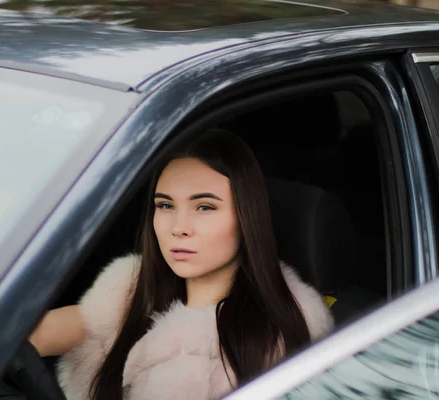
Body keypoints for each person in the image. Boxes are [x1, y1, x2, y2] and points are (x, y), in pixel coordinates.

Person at [29, 129, 334, 400]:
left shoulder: (271, 339)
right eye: (165, 205)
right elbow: (22, 337)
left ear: (246, 219)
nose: (179, 227)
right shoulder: (127, 291)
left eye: (204, 207)